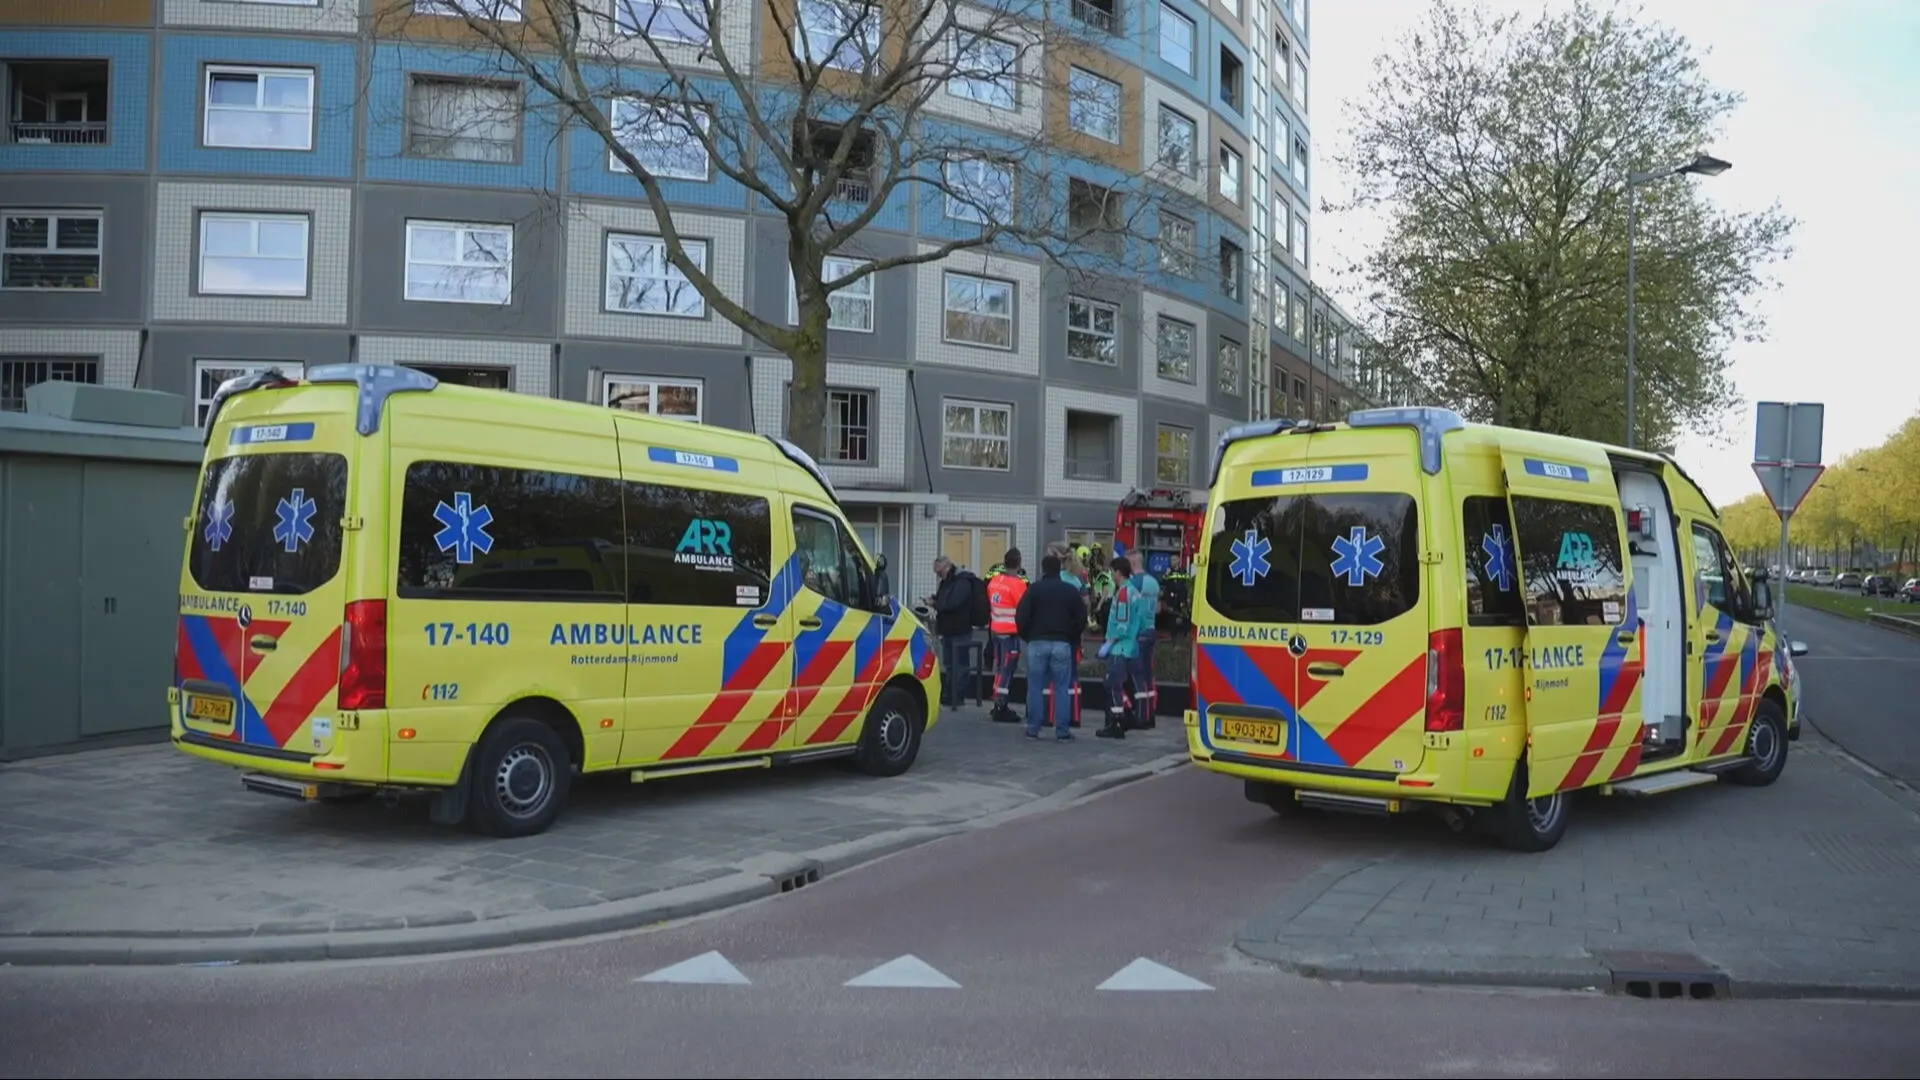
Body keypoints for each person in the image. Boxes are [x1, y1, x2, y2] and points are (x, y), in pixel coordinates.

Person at [1015, 553, 1087, 742]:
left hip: (1037, 643)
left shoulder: (1034, 590)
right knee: (1062, 688)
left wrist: (1028, 636)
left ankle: (1033, 728)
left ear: (1043, 569)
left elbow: (1021, 616)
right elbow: (1081, 618)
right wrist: (1070, 636)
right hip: (1062, 643)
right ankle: (1062, 731)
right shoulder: (1069, 591)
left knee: (1035, 687)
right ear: (1060, 569)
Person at [1095, 556, 1148, 739]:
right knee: (1124, 684)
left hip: (1120, 648)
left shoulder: (1124, 594)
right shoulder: (1134, 591)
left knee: (1112, 684)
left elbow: (1122, 624)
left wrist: (1109, 643)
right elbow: (1138, 621)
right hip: (1130, 646)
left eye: (1112, 572)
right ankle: (1128, 717)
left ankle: (1117, 722)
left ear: (1118, 572)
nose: (1111, 575)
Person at [925, 555, 981, 711]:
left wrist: (935, 603)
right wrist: (936, 599)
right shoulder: (947, 582)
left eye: (939, 572)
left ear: (946, 567)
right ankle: (950, 694)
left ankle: (959, 695)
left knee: (960, 664)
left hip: (960, 629)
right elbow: (946, 600)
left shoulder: (962, 582)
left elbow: (952, 603)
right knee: (950, 664)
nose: (938, 575)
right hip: (949, 629)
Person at [985, 549, 1029, 724]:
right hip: (1010, 632)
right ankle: (1001, 706)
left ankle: (997, 700)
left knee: (999, 668)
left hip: (996, 629)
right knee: (1007, 669)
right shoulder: (1018, 584)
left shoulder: (995, 580)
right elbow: (1024, 607)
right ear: (1019, 564)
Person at [1127, 554, 1161, 730]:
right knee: (1148, 675)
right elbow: (1157, 608)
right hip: (1151, 630)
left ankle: (1140, 716)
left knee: (1137, 675)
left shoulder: (1134, 583)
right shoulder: (1153, 582)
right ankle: (1150, 715)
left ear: (1133, 562)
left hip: (1138, 633)